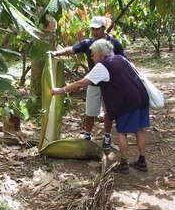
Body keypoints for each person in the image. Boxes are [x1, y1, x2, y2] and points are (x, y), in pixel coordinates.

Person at [52, 39, 149, 174]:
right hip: (141, 96)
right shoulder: (120, 58)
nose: (91, 57)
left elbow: (81, 83)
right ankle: (142, 161)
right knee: (139, 129)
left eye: (93, 54)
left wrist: (60, 91)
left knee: (122, 132)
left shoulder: (102, 66)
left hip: (127, 101)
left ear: (101, 53)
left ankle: (124, 164)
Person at [51, 16, 126, 150]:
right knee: (90, 111)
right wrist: (56, 53)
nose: (95, 32)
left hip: (110, 84)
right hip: (93, 83)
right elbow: (72, 49)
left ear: (103, 29)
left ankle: (107, 136)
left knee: (108, 111)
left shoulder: (114, 43)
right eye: (92, 29)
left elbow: (124, 61)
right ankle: (87, 135)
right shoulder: (88, 43)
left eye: (97, 29)